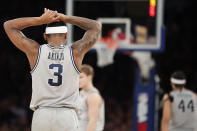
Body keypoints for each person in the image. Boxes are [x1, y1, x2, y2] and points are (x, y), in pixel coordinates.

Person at [4, 8, 101, 131]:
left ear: (45, 36)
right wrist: (65, 18)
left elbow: (8, 26)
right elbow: (96, 27)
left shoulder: (35, 51)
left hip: (42, 114)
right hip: (66, 115)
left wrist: (40, 20)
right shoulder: (76, 52)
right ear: (66, 35)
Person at [78, 64, 105, 131]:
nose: (78, 80)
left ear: (89, 77)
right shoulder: (80, 93)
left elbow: (93, 121)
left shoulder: (93, 96)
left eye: (81, 77)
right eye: (77, 77)